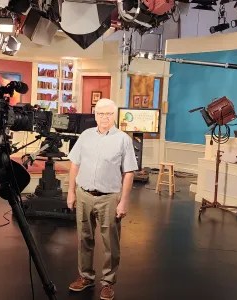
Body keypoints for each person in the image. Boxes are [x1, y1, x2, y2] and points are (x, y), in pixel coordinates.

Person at [67, 98, 138, 300]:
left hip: (109, 198)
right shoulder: (86, 136)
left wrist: (123, 201)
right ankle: (86, 277)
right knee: (84, 239)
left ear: (114, 115)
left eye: (108, 114)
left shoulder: (123, 139)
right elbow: (74, 165)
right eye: (100, 113)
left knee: (110, 243)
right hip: (83, 195)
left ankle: (107, 282)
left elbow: (129, 173)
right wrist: (71, 192)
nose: (104, 117)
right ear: (95, 115)